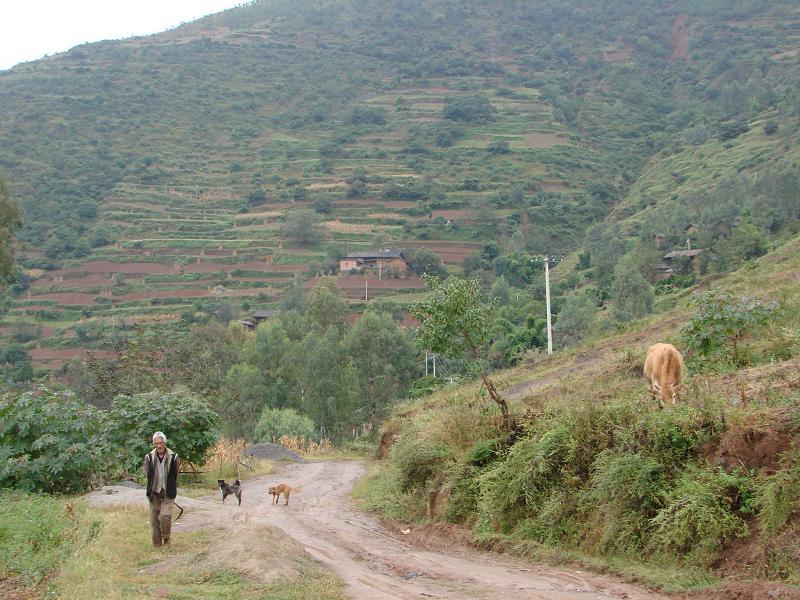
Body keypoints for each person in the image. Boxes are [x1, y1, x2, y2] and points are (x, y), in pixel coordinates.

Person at [143, 431, 180, 547]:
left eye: (161, 443)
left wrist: (170, 487)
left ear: (165, 442)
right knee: (154, 520)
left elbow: (175, 474)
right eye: (156, 443)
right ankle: (157, 545)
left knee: (164, 516)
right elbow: (148, 474)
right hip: (154, 492)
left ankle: (166, 539)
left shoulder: (173, 457)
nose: (159, 446)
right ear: (154, 444)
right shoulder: (149, 457)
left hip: (168, 492)